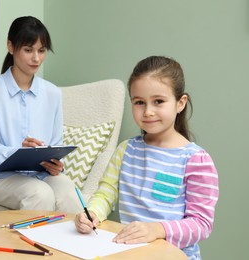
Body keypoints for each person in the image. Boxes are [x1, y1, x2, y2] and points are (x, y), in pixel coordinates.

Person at [75, 56, 219, 259]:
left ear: (180, 103)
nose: (148, 112)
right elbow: (106, 193)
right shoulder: (125, 151)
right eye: (139, 102)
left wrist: (158, 230)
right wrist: (92, 213)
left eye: (158, 101)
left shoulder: (196, 161)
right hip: (127, 252)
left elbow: (201, 225)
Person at [0, 16, 82, 213]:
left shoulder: (53, 93)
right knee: (39, 194)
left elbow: (55, 144)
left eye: (41, 51)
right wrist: (18, 151)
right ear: (11, 47)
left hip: (39, 174)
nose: (36, 58)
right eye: (28, 50)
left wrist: (55, 164)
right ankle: (30, 244)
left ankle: (70, 245)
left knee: (70, 194)